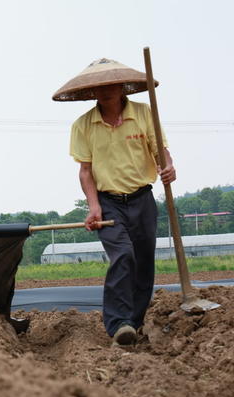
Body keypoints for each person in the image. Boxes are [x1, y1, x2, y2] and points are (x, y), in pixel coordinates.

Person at [53, 58, 176, 346]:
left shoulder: (145, 114)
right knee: (123, 255)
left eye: (111, 85)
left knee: (144, 262)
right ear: (92, 92)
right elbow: (85, 170)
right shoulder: (83, 125)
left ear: (122, 87)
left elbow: (161, 150)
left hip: (142, 197)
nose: (106, 91)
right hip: (108, 203)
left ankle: (135, 322)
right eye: (100, 87)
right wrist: (93, 207)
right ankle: (118, 322)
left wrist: (167, 166)